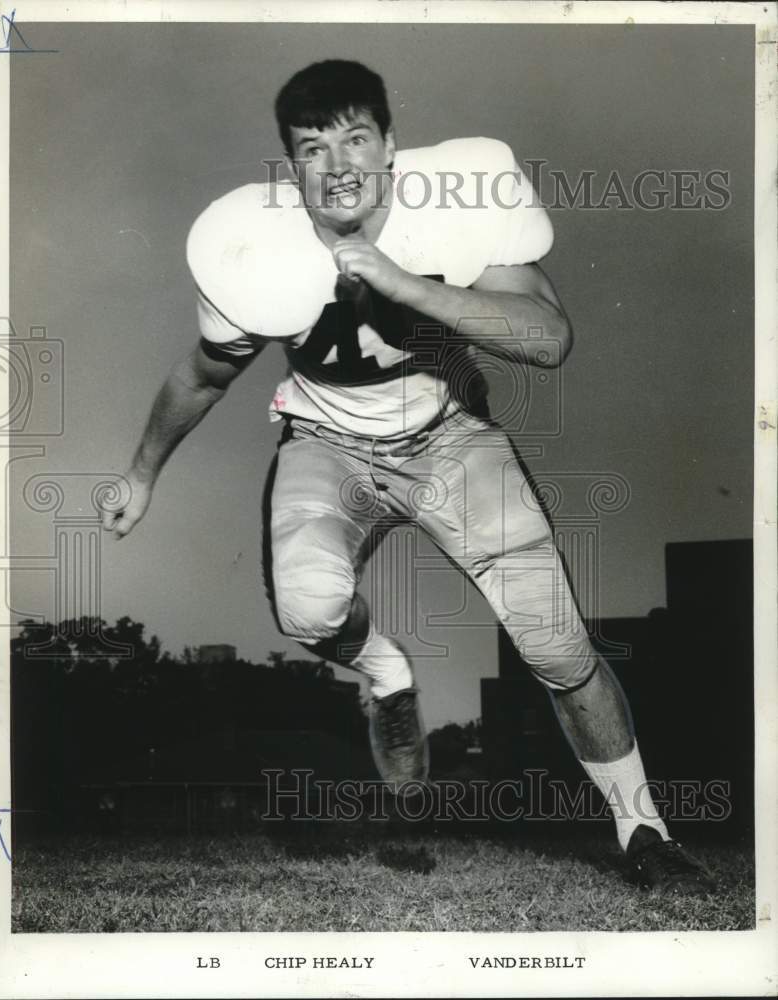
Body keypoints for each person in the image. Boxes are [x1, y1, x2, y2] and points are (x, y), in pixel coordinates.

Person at [105, 59, 714, 895]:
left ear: (392, 145)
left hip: (453, 438)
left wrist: (408, 287)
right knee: (310, 609)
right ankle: (385, 669)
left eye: (357, 137)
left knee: (555, 642)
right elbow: (202, 376)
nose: (340, 164)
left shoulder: (456, 204)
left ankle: (643, 829)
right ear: (290, 169)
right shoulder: (251, 250)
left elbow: (548, 336)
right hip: (327, 443)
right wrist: (141, 477)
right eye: (313, 148)